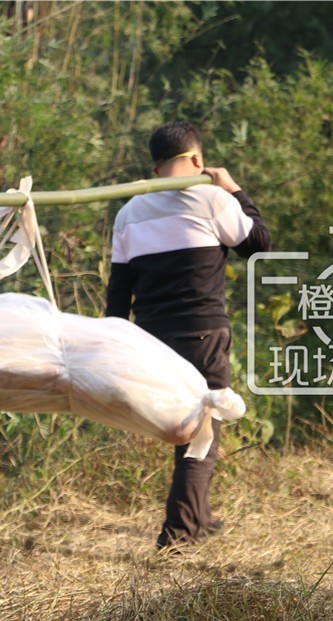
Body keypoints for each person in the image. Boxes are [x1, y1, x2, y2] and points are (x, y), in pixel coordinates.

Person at [105, 121, 271, 551]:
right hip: (203, 334)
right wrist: (234, 189)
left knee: (191, 431)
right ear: (197, 159)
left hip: (151, 340)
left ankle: (200, 515)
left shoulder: (128, 213)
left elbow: (118, 294)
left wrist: (115, 347)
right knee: (202, 433)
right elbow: (259, 245)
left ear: (156, 166)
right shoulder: (212, 198)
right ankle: (177, 536)